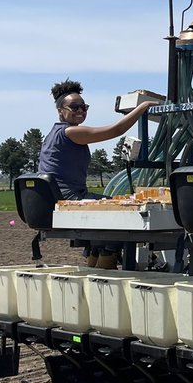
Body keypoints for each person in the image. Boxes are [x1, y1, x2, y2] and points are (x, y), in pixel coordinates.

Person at [39, 79, 158, 267]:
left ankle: (95, 257)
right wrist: (143, 107)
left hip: (62, 197)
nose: (80, 111)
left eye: (84, 107)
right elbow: (116, 130)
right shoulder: (70, 133)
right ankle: (107, 261)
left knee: (111, 204)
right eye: (74, 107)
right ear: (61, 110)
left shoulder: (53, 134)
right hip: (70, 198)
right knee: (125, 214)